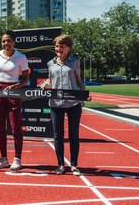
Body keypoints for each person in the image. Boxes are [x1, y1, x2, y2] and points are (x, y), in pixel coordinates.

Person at [41, 34, 88, 176]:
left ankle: (74, 165)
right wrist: (44, 84)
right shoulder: (50, 63)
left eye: (62, 46)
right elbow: (50, 81)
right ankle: (60, 164)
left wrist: (84, 94)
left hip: (73, 103)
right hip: (55, 103)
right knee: (58, 136)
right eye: (56, 46)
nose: (58, 49)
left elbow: (78, 81)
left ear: (68, 48)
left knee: (74, 135)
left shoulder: (74, 62)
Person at [0, 30, 29, 171]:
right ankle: (3, 158)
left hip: (14, 92)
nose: (6, 44)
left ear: (14, 42)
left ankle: (17, 158)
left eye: (8, 41)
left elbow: (26, 78)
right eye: (3, 41)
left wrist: (16, 85)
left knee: (15, 126)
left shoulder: (21, 57)